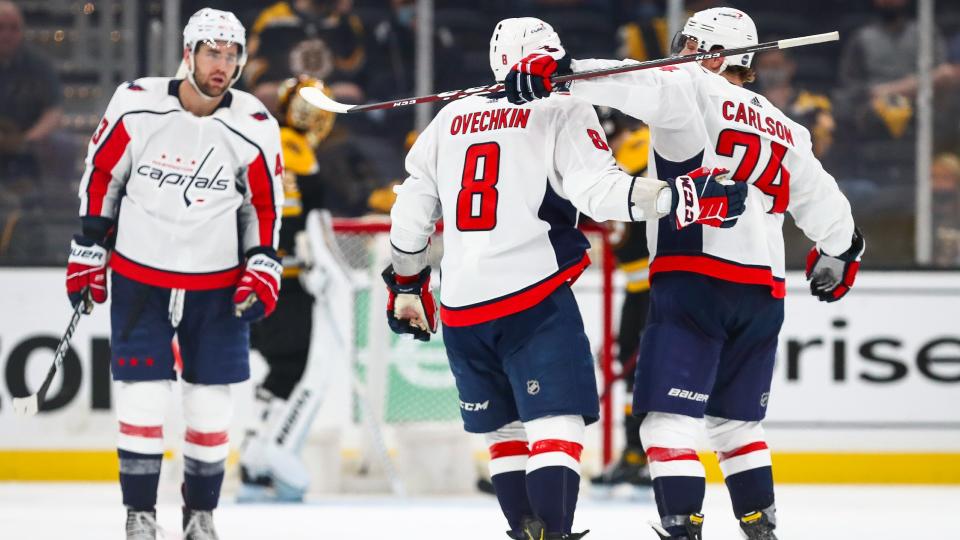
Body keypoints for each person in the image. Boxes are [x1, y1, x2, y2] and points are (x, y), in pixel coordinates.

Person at [506, 7, 864, 539]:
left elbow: (631, 78)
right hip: (763, 292)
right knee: (738, 425)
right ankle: (759, 528)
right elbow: (828, 210)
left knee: (665, 424)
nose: (678, 54)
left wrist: (559, 69)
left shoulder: (692, 83)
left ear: (711, 54)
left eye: (689, 45)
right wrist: (840, 254)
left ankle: (682, 529)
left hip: (694, 279)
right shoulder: (788, 128)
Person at [381, 17, 746, 540]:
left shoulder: (448, 118)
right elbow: (597, 191)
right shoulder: (564, 106)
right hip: (533, 297)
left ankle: (525, 530)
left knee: (504, 433)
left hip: (462, 304)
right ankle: (551, 532)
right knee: (557, 425)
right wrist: (676, 197)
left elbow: (409, 219)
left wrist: (409, 286)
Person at [64, 8, 283, 539]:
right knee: (142, 396)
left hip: (217, 285)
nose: (223, 64)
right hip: (142, 277)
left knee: (210, 406)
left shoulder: (254, 124)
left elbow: (264, 206)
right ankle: (140, 516)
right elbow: (102, 177)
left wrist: (263, 262)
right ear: (188, 54)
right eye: (213, 52)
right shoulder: (136, 104)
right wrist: (89, 246)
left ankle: (200, 517)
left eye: (232, 55)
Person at [238, 76, 345, 502]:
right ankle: (262, 452)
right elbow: (296, 210)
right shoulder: (291, 144)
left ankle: (256, 454)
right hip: (283, 278)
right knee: (291, 364)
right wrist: (305, 255)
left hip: (268, 274)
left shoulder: (272, 138)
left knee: (282, 367)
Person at [590, 110, 654, 493]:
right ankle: (634, 452)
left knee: (649, 370)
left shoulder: (638, 148)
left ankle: (649, 453)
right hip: (637, 290)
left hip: (662, 286)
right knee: (630, 368)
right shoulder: (612, 161)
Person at [0, 0, 63, 198]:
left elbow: (54, 110)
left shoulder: (39, 65)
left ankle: (50, 210)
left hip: (28, 147)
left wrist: (28, 139)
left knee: (63, 144)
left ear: (22, 31)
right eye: (1, 28)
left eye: (14, 28)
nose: (6, 35)